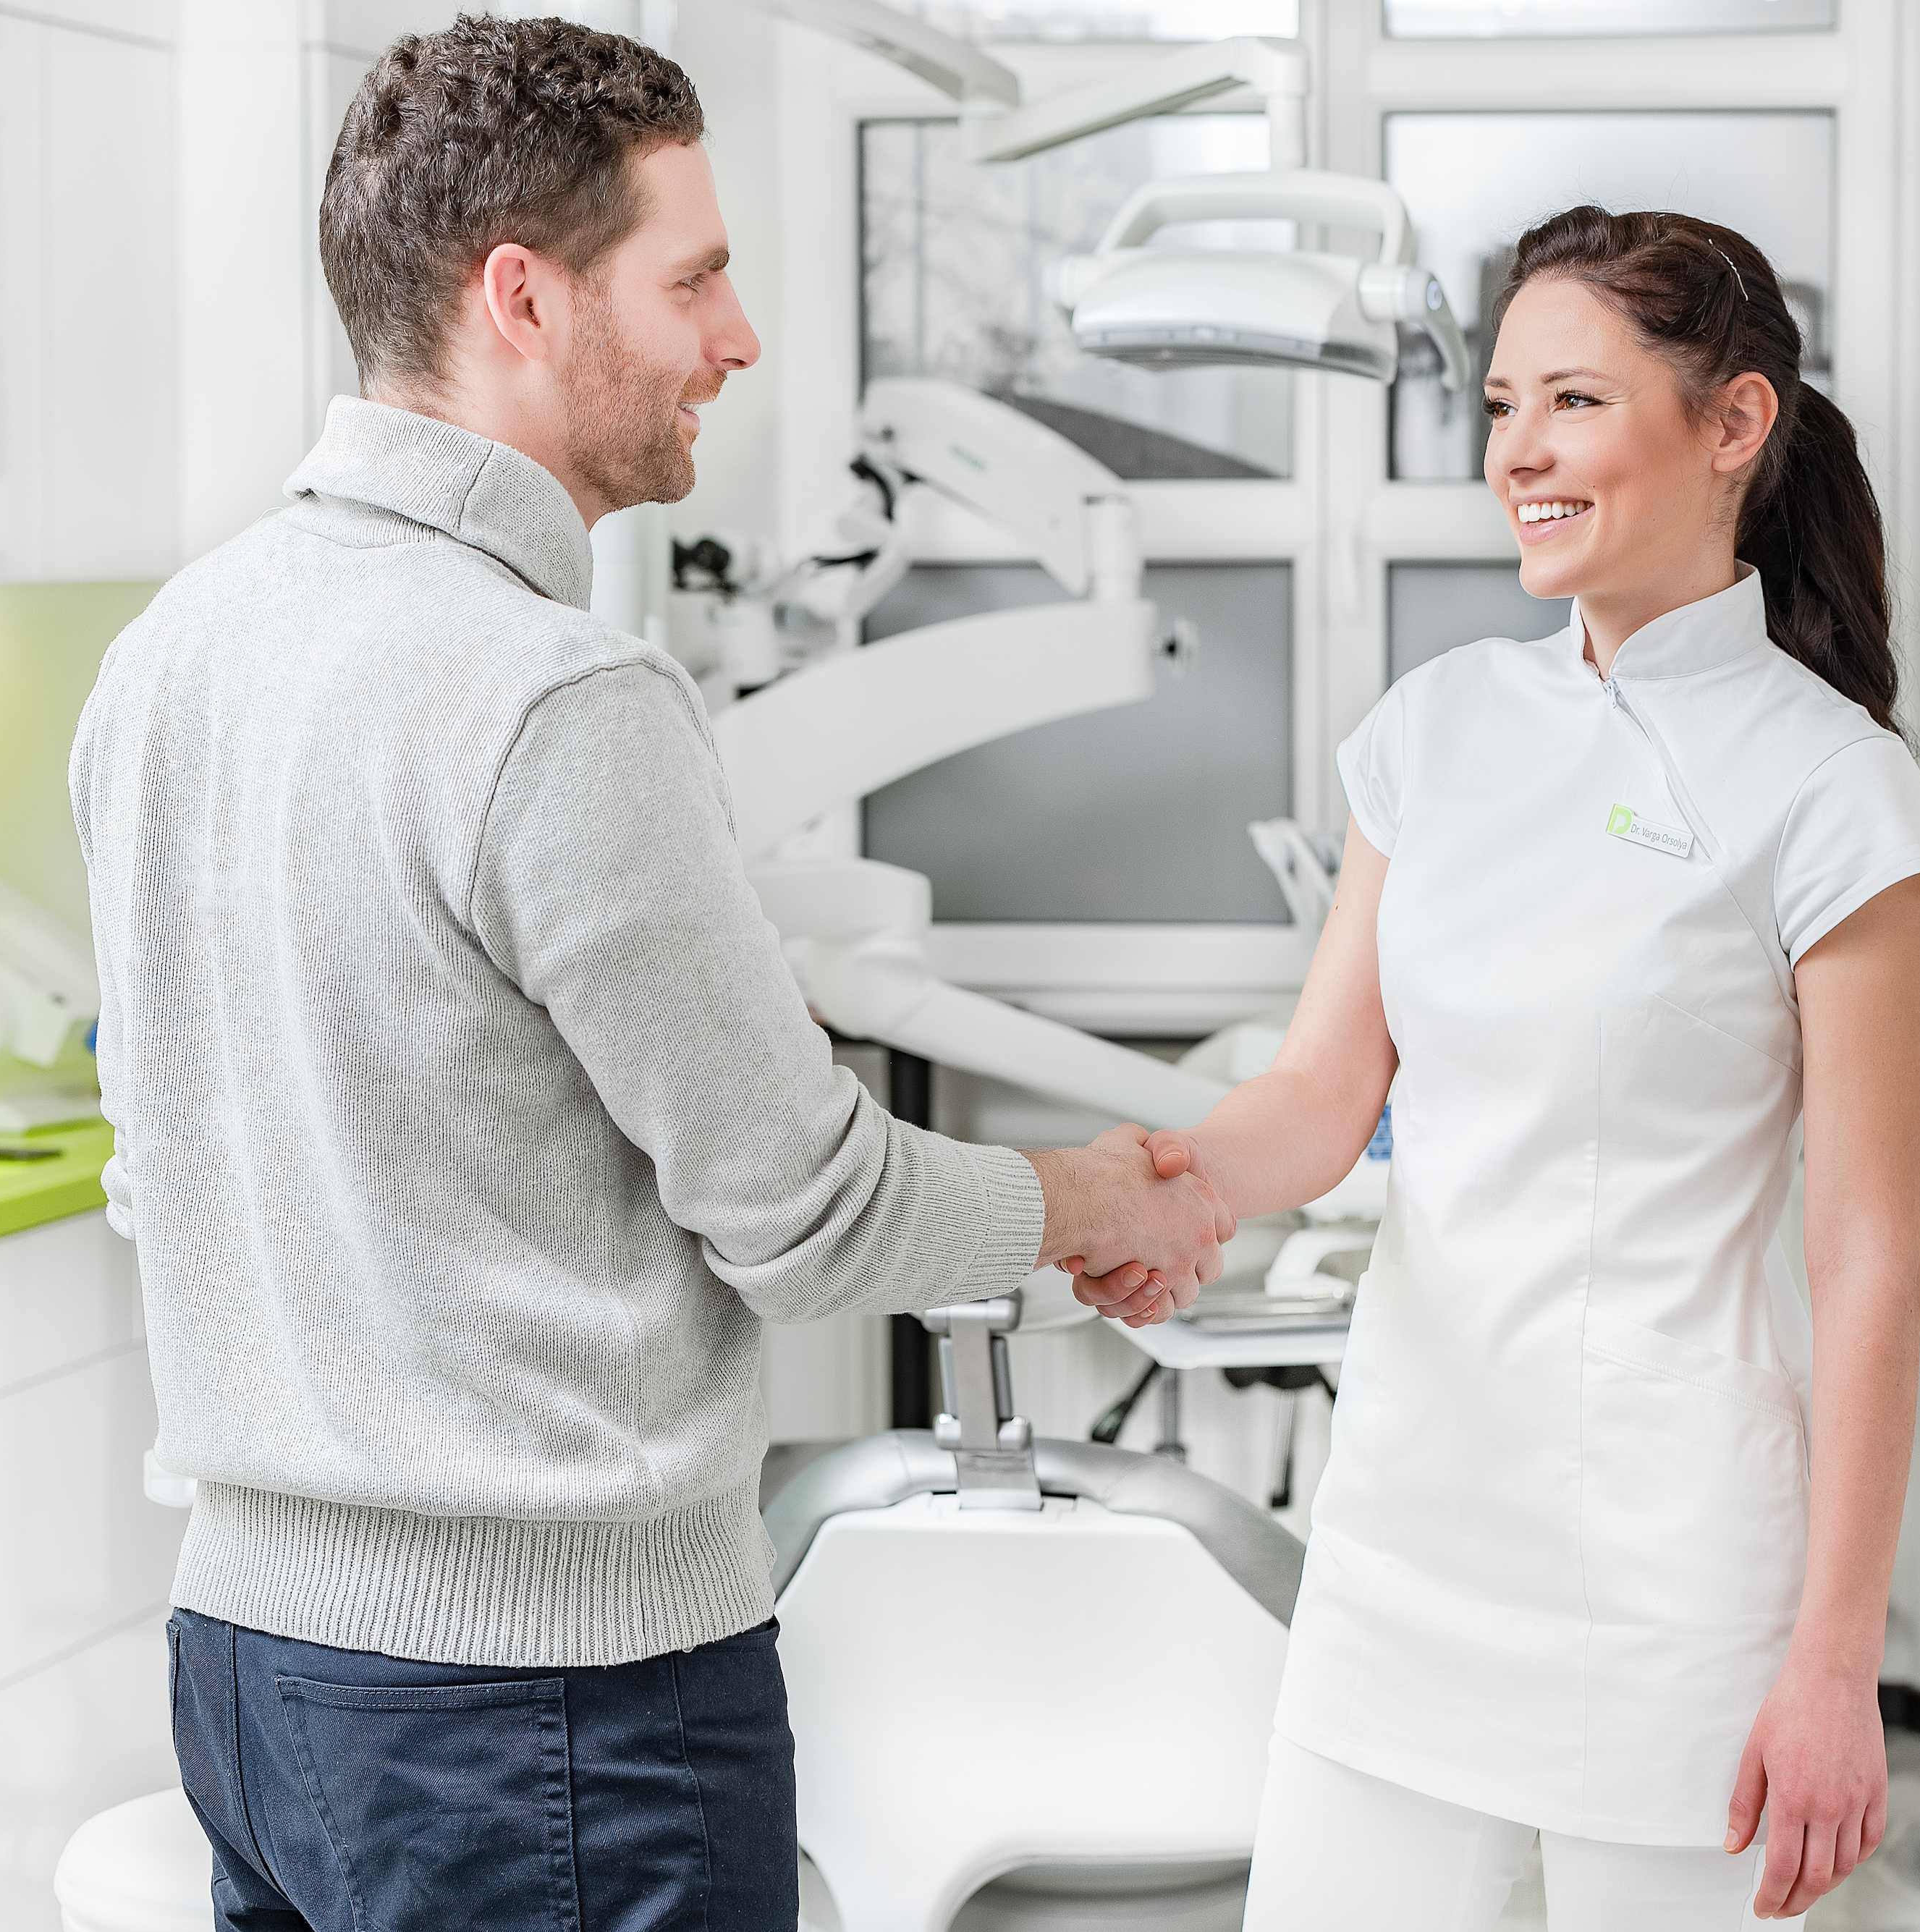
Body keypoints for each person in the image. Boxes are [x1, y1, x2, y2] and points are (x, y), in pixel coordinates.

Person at [69, 17, 1225, 1928]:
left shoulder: (168, 659)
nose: (739, 337)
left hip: (252, 1679)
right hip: (548, 1707)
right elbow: (813, 1215)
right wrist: (1092, 1197)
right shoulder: (553, 697)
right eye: (694, 277)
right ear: (520, 295)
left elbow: (162, 1160)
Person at [1067, 206, 1920, 1929]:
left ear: (1730, 425)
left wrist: (1832, 1661)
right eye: (1496, 406)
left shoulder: (1833, 794)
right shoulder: (1436, 729)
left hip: (1675, 1575)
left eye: (1569, 400)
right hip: (1407, 1538)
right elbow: (1321, 1099)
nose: (1518, 454)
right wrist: (1164, 1187)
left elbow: (1866, 1262)